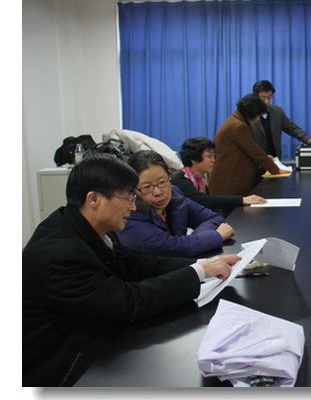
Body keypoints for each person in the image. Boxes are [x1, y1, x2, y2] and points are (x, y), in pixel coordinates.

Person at [22, 154, 241, 386]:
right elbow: (130, 301)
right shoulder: (60, 254)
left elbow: (136, 264)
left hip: (98, 344)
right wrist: (197, 273)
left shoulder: (88, 226)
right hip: (64, 370)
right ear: (94, 199)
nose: (134, 207)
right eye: (128, 198)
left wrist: (203, 266)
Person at [120, 150, 236, 257]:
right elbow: (171, 248)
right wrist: (214, 237)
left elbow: (214, 218)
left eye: (162, 182)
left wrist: (192, 242)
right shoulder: (129, 214)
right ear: (133, 189)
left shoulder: (174, 195)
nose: (158, 192)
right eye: (146, 187)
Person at [209, 94, 292, 196]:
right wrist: (276, 170)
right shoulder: (239, 127)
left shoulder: (235, 121)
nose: (258, 119)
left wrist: (265, 158)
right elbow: (255, 152)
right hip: (229, 182)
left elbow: (247, 151)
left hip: (228, 178)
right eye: (258, 115)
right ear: (251, 113)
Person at [172, 137, 267, 217]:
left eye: (213, 156)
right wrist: (243, 200)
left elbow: (211, 206)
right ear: (194, 159)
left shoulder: (199, 179)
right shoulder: (181, 180)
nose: (213, 160)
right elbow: (204, 200)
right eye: (209, 156)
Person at [251, 80, 311, 160]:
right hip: (255, 160)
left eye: (269, 97)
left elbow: (292, 128)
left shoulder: (277, 112)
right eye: (263, 98)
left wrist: (307, 139)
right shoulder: (248, 114)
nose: (266, 101)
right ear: (256, 97)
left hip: (275, 159)